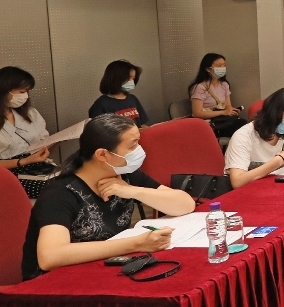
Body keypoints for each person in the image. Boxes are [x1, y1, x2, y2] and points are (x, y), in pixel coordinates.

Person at [21, 114, 196, 280]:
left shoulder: (124, 174)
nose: (139, 150)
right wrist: (137, 243)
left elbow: (185, 204)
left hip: (107, 269)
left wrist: (131, 191)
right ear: (102, 154)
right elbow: (50, 257)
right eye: (133, 146)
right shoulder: (60, 193)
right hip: (57, 284)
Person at [224, 87, 284, 188]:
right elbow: (238, 182)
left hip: (274, 187)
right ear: (274, 113)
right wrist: (277, 162)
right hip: (248, 191)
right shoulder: (243, 137)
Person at [0, 66, 51, 170]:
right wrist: (23, 161)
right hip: (6, 173)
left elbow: (43, 147)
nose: (26, 96)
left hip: (38, 169)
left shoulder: (31, 114)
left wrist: (59, 141)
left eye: (27, 91)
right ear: (3, 91)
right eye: (21, 92)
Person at [187, 53, 245, 139]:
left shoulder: (224, 84)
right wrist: (223, 112)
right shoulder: (200, 87)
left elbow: (228, 105)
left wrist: (231, 110)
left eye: (224, 65)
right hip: (208, 124)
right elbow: (197, 113)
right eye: (219, 66)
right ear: (208, 69)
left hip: (222, 120)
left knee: (243, 124)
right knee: (241, 129)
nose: (222, 68)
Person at [87, 60, 149, 126]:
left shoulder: (133, 99)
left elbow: (142, 124)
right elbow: (99, 130)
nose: (131, 82)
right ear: (116, 78)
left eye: (133, 78)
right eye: (128, 78)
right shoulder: (101, 104)